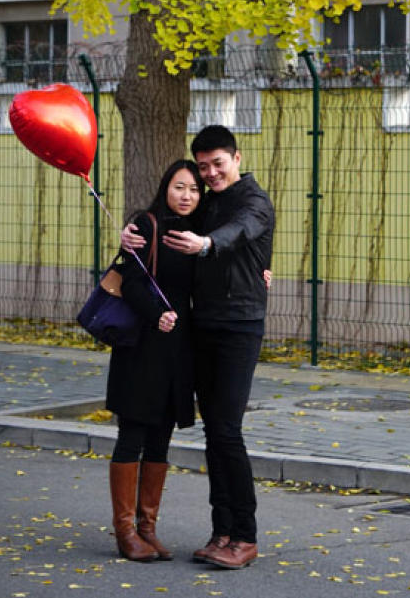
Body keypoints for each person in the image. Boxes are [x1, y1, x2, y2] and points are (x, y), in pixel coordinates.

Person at [164, 124, 275, 570]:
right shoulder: (207, 202)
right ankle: (221, 532)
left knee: (227, 431)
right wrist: (134, 235)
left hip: (238, 329)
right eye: (203, 166)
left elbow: (241, 231)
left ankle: (245, 536)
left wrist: (207, 243)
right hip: (203, 326)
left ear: (237, 158)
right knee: (214, 433)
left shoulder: (254, 202)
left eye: (218, 164)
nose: (210, 173)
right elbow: (170, 214)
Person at [106, 159, 204, 562]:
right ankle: (125, 531)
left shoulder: (202, 234)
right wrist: (155, 313)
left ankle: (148, 528)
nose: (187, 196)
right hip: (143, 345)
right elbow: (128, 280)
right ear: (166, 188)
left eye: (195, 189)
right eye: (180, 187)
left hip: (178, 349)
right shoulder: (146, 226)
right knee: (133, 432)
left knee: (161, 436)